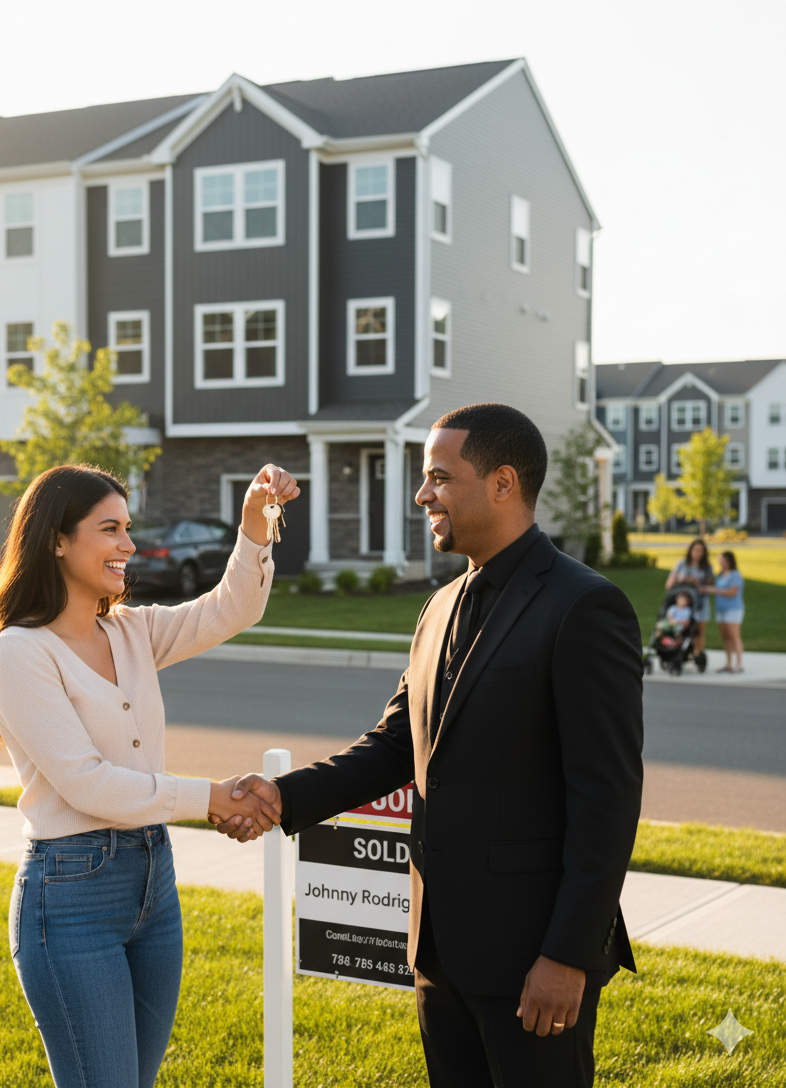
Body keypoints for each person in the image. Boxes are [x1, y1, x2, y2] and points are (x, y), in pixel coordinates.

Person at [217, 403, 644, 1088]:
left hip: (534, 959)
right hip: (439, 952)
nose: (422, 495)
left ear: (502, 483)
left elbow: (607, 799)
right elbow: (395, 746)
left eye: (439, 478)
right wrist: (282, 796)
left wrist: (568, 954)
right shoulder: (438, 605)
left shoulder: (584, 607)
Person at [0, 462, 295, 1088]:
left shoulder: (132, 631)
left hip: (152, 883)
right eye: (109, 529)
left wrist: (256, 524)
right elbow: (88, 783)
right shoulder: (18, 652)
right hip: (71, 897)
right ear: (57, 539)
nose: (129, 545)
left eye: (128, 528)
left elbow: (234, 609)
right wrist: (211, 798)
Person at [665, 539, 713, 658]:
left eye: (701, 551)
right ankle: (677, 651)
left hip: (700, 603)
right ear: (690, 550)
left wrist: (699, 585)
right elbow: (669, 584)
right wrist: (683, 579)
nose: (698, 553)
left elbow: (710, 585)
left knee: (698, 631)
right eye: (696, 550)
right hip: (682, 604)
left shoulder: (707, 567)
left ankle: (697, 654)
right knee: (681, 629)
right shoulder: (681, 564)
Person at [704, 550, 745, 672]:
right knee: (725, 637)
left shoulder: (735, 575)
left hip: (733, 610)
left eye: (721, 559)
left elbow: (732, 592)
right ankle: (728, 663)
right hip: (720, 610)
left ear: (727, 560)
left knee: (734, 636)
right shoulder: (720, 575)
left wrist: (713, 590)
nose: (719, 562)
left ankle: (739, 664)